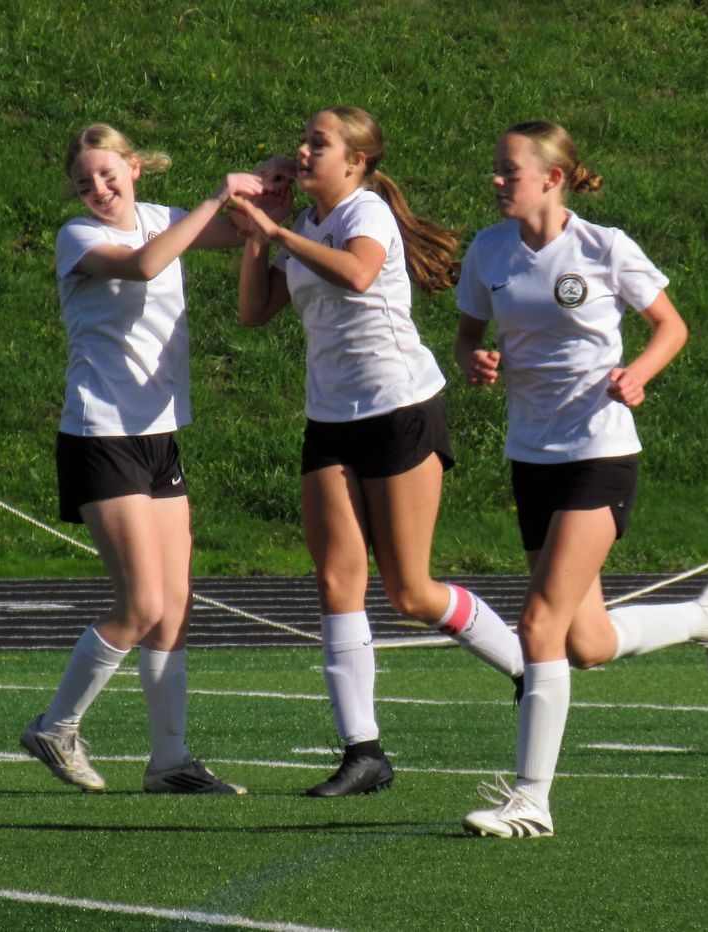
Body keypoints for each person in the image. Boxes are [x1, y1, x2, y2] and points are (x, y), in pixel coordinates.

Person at [451, 121, 708, 839]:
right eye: (494, 168)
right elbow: (467, 337)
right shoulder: (489, 250)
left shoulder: (603, 247)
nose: (495, 180)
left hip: (601, 454)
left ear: (552, 179)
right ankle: (705, 618)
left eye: (508, 171)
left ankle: (531, 800)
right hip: (531, 458)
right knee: (584, 642)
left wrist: (637, 375)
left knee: (538, 624)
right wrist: (475, 361)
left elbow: (670, 326)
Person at [225, 107, 526, 797]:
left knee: (411, 592)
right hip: (329, 417)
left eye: (317, 144)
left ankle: (527, 667)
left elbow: (358, 275)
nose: (301, 151)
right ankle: (364, 751)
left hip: (399, 409)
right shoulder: (302, 225)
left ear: (356, 163)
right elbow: (251, 312)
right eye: (301, 140)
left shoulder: (365, 216)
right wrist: (254, 237)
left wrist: (276, 231)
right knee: (337, 579)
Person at [20, 124, 263, 794]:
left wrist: (274, 179)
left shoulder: (161, 218)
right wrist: (218, 197)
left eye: (106, 174)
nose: (97, 189)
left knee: (175, 604)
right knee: (142, 602)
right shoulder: (79, 237)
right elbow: (146, 265)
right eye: (84, 183)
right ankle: (56, 724)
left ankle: (170, 762)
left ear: (133, 167)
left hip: (158, 436)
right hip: (101, 436)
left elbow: (240, 231)